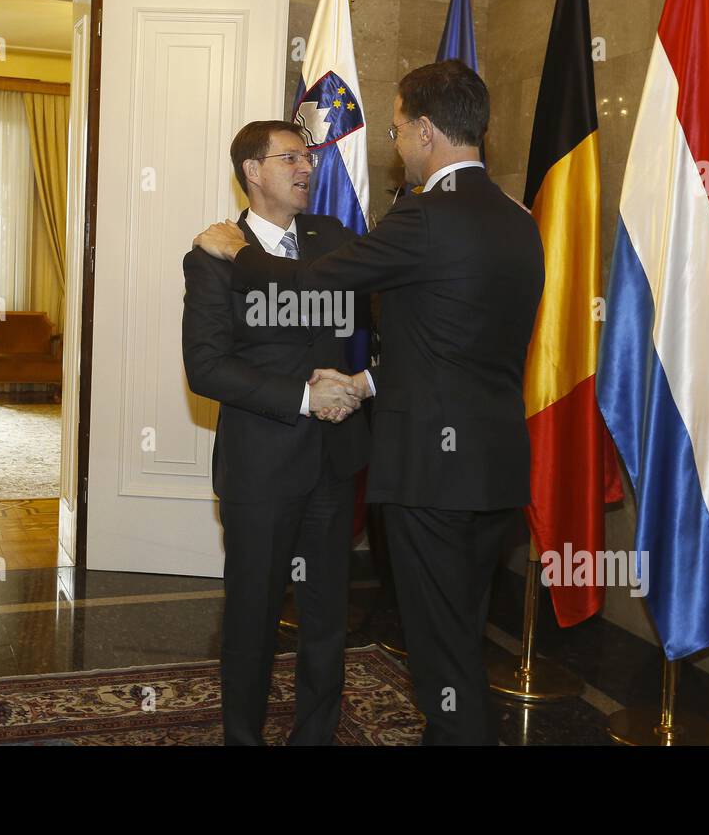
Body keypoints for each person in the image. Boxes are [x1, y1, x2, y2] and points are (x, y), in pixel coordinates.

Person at [194, 60, 545, 745]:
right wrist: (365, 383)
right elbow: (450, 342)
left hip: (431, 475)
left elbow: (318, 280)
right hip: (496, 469)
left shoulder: (425, 216)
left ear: (424, 129)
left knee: (439, 655)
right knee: (460, 636)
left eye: (395, 129)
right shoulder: (519, 219)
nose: (394, 144)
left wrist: (236, 254)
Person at [182, 119, 371, 745]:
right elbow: (207, 367)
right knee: (253, 617)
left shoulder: (333, 238)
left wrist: (354, 385)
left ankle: (316, 736)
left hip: (334, 461)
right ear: (252, 171)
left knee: (326, 617)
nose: (306, 168)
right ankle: (244, 737)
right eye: (289, 157)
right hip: (262, 469)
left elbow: (352, 315)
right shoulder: (212, 254)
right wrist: (303, 398)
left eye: (308, 157)